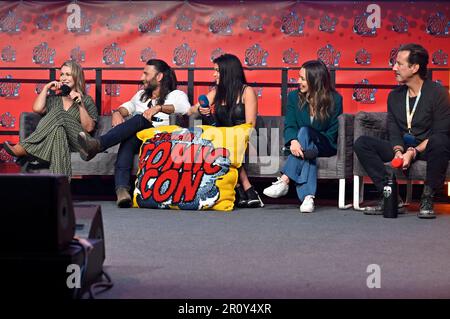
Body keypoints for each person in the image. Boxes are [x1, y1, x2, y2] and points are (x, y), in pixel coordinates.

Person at [354, 43, 450, 219]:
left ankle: (427, 197)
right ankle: (390, 197)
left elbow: (441, 132)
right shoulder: (395, 96)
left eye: (399, 64)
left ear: (414, 67)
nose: (394, 68)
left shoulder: (438, 93)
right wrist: (398, 151)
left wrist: (412, 152)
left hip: (427, 149)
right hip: (404, 148)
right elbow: (393, 129)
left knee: (441, 141)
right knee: (362, 143)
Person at [78, 59, 190, 208]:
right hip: (139, 138)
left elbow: (184, 107)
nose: (141, 78)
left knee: (139, 119)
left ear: (159, 77)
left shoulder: (176, 94)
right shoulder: (141, 95)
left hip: (161, 140)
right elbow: (127, 107)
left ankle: (98, 145)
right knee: (130, 137)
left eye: (146, 74)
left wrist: (159, 108)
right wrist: (117, 113)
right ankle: (122, 192)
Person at [263, 60, 343, 213]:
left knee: (305, 132)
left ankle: (285, 180)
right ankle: (308, 198)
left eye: (303, 78)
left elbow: (332, 132)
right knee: (307, 148)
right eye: (299, 77)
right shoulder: (294, 97)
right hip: (303, 146)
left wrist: (307, 143)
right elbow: (290, 124)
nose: (298, 81)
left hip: (325, 144)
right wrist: (293, 141)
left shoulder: (335, 99)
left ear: (315, 80)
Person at [187, 53, 264, 208]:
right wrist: (202, 109)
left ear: (228, 72)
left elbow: (250, 125)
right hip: (223, 141)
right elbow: (191, 111)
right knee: (218, 147)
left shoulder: (247, 91)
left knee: (225, 149)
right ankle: (245, 191)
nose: (213, 74)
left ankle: (244, 190)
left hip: (246, 140)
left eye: (217, 70)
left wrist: (231, 138)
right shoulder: (217, 91)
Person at [2, 60, 97, 176]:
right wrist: (46, 88)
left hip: (81, 142)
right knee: (59, 132)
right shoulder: (54, 99)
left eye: (68, 74)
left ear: (77, 77)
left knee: (59, 113)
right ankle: (61, 188)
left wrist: (80, 104)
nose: (63, 78)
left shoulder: (86, 100)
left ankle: (24, 147)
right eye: (62, 74)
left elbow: (89, 128)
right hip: (62, 141)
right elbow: (37, 109)